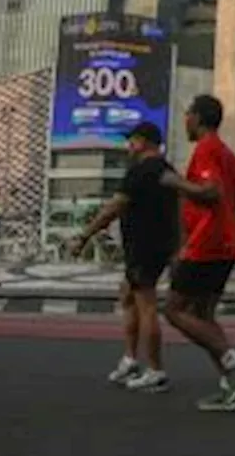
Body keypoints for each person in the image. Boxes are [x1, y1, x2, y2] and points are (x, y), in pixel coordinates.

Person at [164, 94, 235, 412]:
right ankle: (232, 387)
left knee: (175, 310)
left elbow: (212, 191)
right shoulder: (229, 155)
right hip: (226, 244)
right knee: (203, 316)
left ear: (199, 118)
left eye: (187, 113)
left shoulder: (206, 149)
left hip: (206, 244)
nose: (184, 119)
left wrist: (176, 182)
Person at [72, 122, 181, 393]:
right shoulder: (168, 170)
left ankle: (156, 370)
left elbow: (115, 206)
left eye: (131, 141)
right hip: (158, 245)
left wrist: (84, 235)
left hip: (144, 247)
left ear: (144, 142)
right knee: (128, 295)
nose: (128, 146)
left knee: (147, 305)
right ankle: (131, 358)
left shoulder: (140, 171)